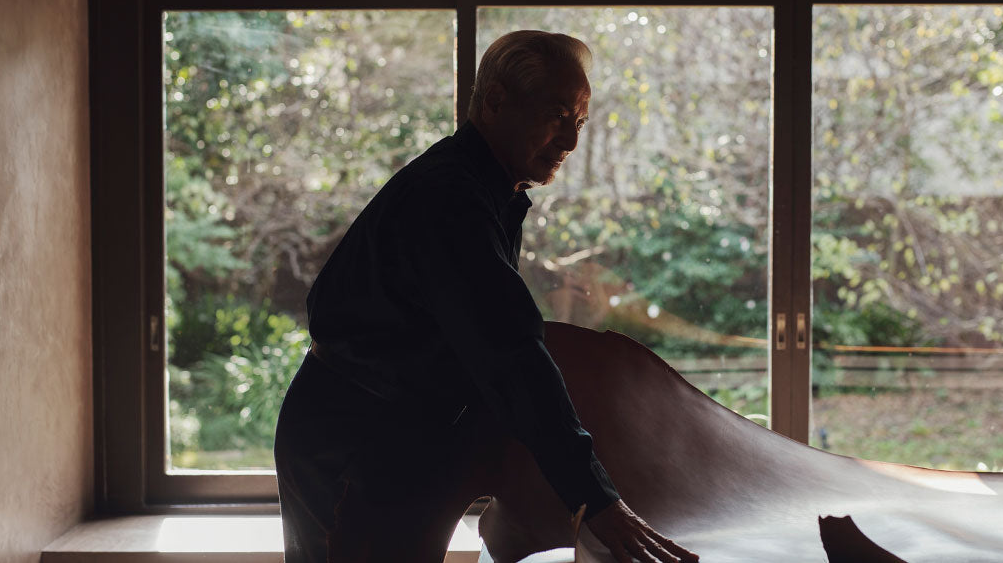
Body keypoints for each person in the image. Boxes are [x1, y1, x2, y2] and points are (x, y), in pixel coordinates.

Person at [274, 30, 700, 563]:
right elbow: (510, 355)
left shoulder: (484, 187)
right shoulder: (451, 199)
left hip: (375, 431)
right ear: (497, 101)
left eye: (580, 122)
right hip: (350, 441)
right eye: (557, 115)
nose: (570, 141)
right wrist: (596, 499)